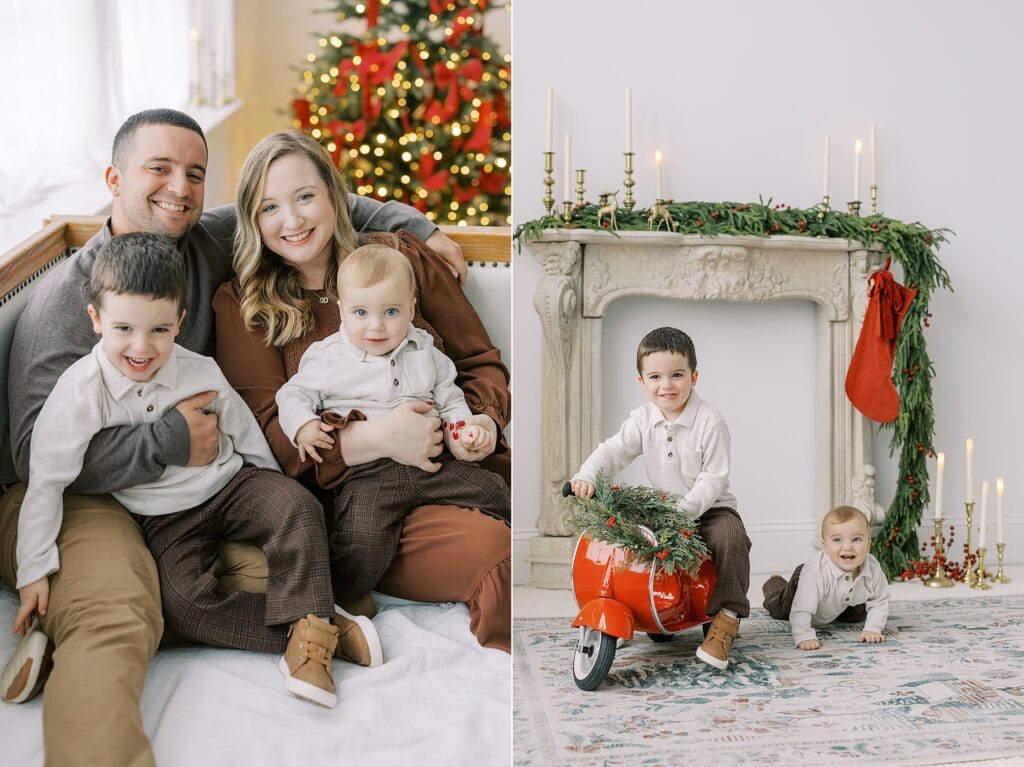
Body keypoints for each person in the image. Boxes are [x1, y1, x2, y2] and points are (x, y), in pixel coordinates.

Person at [0, 108, 460, 767]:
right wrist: (166, 441)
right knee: (124, 610)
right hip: (74, 492)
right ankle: (90, 648)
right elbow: (32, 458)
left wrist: (422, 228)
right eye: (158, 169)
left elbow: (324, 198)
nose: (179, 188)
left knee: (303, 542)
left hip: (185, 489)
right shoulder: (66, 302)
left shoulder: (206, 240)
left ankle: (316, 623)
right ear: (113, 177)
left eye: (194, 173)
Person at [10, 231, 356, 708]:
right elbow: (46, 481)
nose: (141, 347)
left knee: (295, 507)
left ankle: (313, 640)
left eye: (159, 330)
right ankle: (314, 631)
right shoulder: (79, 393)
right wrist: (35, 570)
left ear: (180, 322)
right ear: (96, 320)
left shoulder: (199, 371)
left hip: (230, 484)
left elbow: (246, 437)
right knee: (185, 602)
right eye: (124, 329)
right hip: (163, 518)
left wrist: (275, 489)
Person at [213, 130, 511, 655]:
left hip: (453, 468)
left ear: (334, 194)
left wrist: (480, 421)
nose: (294, 220)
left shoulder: (402, 259)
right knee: (499, 556)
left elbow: (478, 364)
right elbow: (266, 439)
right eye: (269, 208)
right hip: (355, 503)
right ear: (252, 221)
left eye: (305, 196)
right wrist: (378, 439)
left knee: (524, 522)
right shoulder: (244, 305)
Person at [275, 242, 511, 602]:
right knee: (361, 541)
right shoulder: (327, 358)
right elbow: (292, 396)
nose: (376, 326)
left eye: (390, 311)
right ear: (341, 310)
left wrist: (466, 431)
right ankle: (339, 599)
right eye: (360, 313)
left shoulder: (426, 351)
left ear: (411, 308)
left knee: (494, 490)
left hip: (433, 465)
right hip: (370, 475)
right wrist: (302, 425)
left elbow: (449, 400)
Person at [569, 326, 750, 671]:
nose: (666, 385)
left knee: (731, 538)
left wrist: (685, 513)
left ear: (694, 376)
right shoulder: (643, 419)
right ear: (641, 381)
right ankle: (645, 604)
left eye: (677, 375)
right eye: (655, 376)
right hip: (662, 508)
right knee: (628, 539)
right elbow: (614, 451)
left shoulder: (710, 422)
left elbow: (713, 479)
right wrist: (587, 475)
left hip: (710, 508)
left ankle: (725, 619)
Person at [762, 505, 890, 649]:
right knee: (778, 609)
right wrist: (804, 636)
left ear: (868, 544)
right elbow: (801, 609)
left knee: (857, 616)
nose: (847, 547)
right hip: (801, 587)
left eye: (856, 539)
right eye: (837, 540)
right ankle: (774, 581)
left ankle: (842, 607)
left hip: (841, 598)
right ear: (825, 546)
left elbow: (880, 600)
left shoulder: (872, 568)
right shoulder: (816, 572)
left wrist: (873, 628)